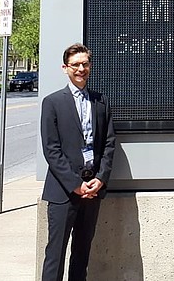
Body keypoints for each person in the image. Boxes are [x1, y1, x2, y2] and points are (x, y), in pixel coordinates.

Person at [40, 43, 116, 281]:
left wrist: (100, 179)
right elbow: (51, 150)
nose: (81, 69)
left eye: (85, 64)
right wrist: (75, 184)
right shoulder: (52, 103)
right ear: (65, 68)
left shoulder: (101, 101)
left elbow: (109, 143)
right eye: (76, 65)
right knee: (55, 255)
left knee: (82, 254)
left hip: (92, 190)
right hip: (64, 192)